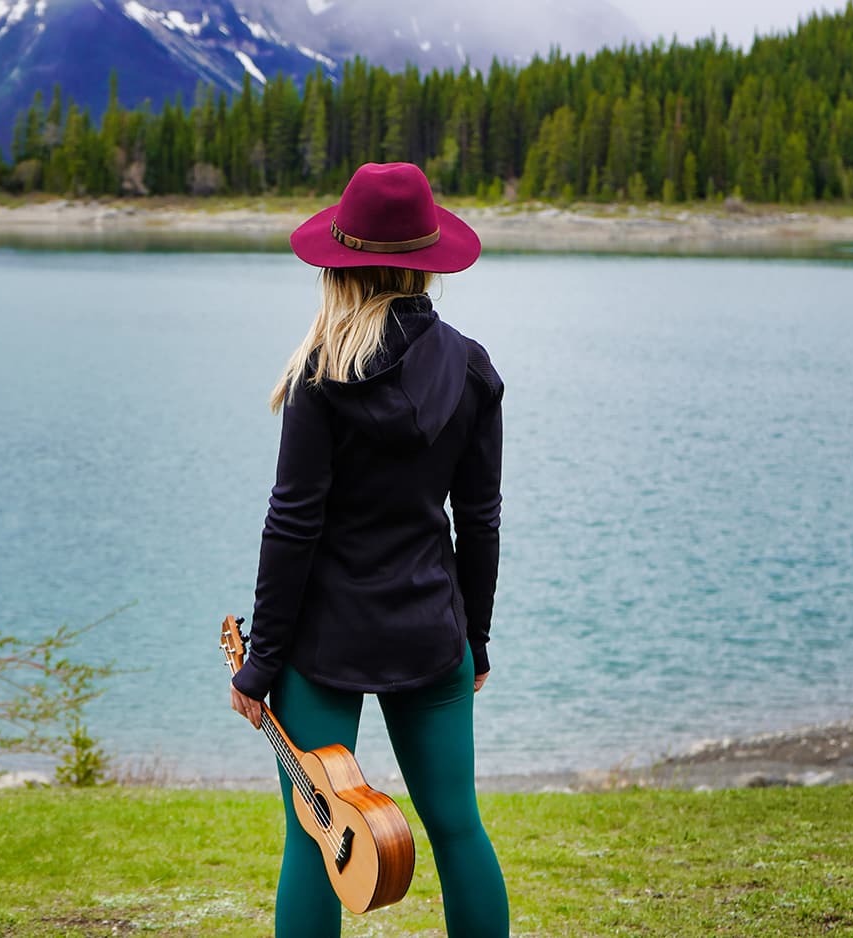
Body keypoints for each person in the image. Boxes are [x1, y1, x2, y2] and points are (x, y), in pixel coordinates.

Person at [228, 161, 510, 937]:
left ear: (339, 264)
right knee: (458, 828)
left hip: (323, 642)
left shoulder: (321, 372)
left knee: (313, 838)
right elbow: (479, 521)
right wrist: (475, 639)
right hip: (430, 631)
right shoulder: (473, 367)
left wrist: (260, 661)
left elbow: (292, 525)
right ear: (427, 262)